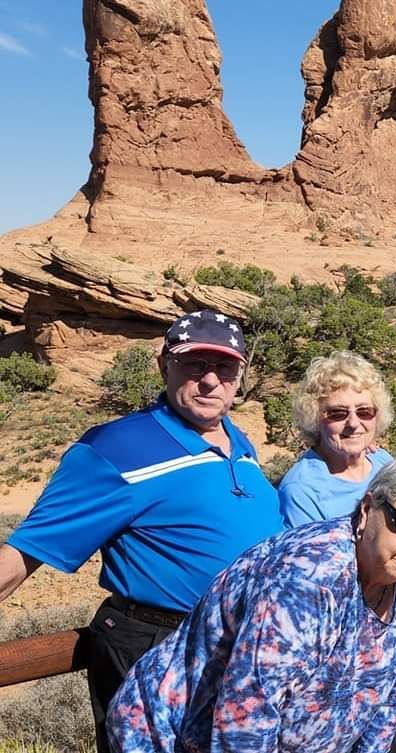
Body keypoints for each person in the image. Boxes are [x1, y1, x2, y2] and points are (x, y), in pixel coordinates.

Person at [0, 309, 281, 753]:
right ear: (163, 364)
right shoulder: (117, 448)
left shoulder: (235, 439)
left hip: (237, 645)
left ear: (240, 375)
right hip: (156, 644)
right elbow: (24, 552)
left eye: (224, 367)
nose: (211, 380)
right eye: (195, 364)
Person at [107, 452, 396, 752]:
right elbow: (246, 715)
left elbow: (394, 689)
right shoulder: (308, 578)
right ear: (368, 510)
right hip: (175, 736)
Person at [278, 350, 395, 526]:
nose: (354, 423)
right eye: (338, 413)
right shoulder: (302, 490)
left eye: (364, 411)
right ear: (314, 417)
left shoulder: (383, 462)